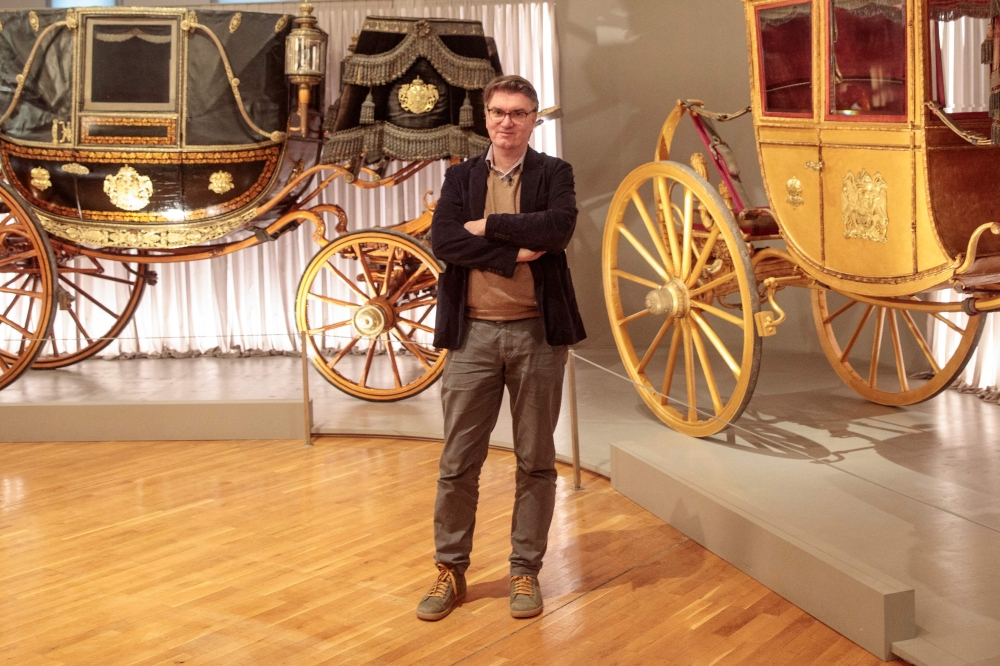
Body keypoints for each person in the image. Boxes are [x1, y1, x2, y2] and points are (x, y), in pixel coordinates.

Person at [416, 74, 586, 622]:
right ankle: (450, 569)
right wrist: (512, 254)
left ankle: (524, 570)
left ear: (534, 118)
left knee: (536, 461)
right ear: (484, 118)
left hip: (538, 335)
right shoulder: (460, 176)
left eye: (518, 112)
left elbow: (557, 228)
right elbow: (444, 240)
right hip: (473, 337)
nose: (507, 121)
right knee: (458, 462)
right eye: (498, 112)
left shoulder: (555, 173)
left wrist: (488, 225)